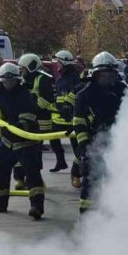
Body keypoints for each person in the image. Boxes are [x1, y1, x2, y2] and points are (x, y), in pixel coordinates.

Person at [0, 62, 45, 219]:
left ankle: (37, 207)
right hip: (7, 142)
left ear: (18, 80)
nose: (9, 84)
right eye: (6, 81)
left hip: (26, 141)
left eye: (12, 81)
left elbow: (28, 119)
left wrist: (14, 126)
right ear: (1, 80)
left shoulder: (25, 95)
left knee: (32, 174)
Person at [72, 51, 127, 213]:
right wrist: (85, 147)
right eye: (103, 75)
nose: (107, 78)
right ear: (95, 75)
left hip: (117, 143)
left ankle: (116, 215)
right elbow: (79, 123)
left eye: (110, 75)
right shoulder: (84, 96)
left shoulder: (122, 91)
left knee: (117, 180)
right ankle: (86, 218)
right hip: (93, 143)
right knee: (90, 181)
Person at [14, 53, 55, 189]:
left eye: (23, 69)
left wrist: (32, 109)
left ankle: (36, 180)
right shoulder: (22, 80)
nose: (22, 72)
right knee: (20, 150)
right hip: (24, 121)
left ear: (31, 67)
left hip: (40, 121)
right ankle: (19, 178)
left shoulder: (44, 79)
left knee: (35, 152)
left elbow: (46, 99)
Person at [49, 50, 82, 180]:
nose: (57, 65)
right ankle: (61, 161)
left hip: (71, 119)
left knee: (76, 146)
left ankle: (79, 171)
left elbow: (77, 93)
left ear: (63, 62)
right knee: (53, 140)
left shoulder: (74, 78)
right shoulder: (60, 78)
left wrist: (68, 106)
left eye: (58, 62)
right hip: (59, 118)